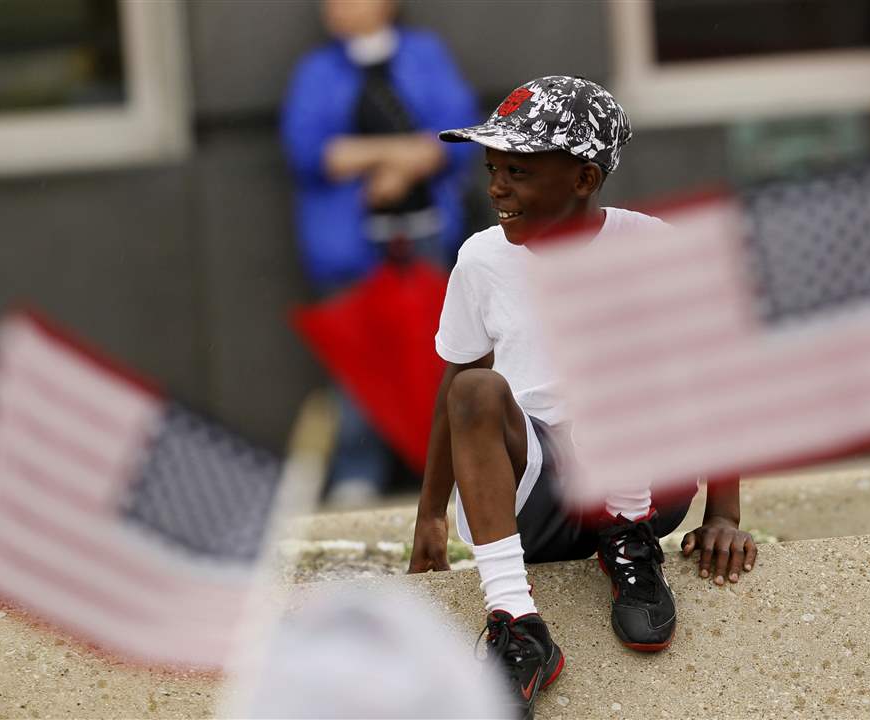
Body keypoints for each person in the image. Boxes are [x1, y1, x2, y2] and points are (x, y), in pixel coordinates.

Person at [407, 76, 757, 719]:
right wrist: (430, 512)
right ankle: (517, 622)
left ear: (584, 180)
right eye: (491, 169)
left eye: (517, 170)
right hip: (537, 492)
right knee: (477, 385)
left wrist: (724, 513)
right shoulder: (481, 258)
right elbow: (454, 393)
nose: (496, 189)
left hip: (644, 484)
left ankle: (629, 550)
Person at [281, 0, 479, 506]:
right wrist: (401, 154)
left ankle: (445, 468)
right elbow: (309, 149)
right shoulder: (317, 70)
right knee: (357, 359)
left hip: (427, 235)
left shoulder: (424, 55)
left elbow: (456, 131)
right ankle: (357, 470)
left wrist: (397, 165)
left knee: (439, 352)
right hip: (348, 244)